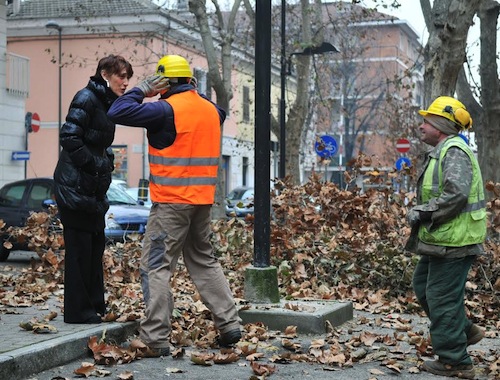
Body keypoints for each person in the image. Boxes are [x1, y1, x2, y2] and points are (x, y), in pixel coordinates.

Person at [107, 55, 242, 356]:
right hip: (202, 203)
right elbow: (213, 108)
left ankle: (155, 336)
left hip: (171, 204)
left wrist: (142, 89)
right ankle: (229, 323)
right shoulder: (211, 111)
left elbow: (117, 110)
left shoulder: (164, 110)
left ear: (164, 83)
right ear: (191, 82)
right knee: (204, 261)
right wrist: (191, 89)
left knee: (156, 265)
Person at [405, 96, 486, 379]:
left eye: (426, 121)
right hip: (442, 238)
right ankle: (465, 330)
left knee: (441, 298)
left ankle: (455, 361)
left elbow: (456, 195)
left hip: (455, 240)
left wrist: (422, 212)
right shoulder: (445, 150)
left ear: (441, 125)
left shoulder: (453, 151)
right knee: (424, 287)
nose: (421, 126)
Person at [53, 55, 134, 324]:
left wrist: (105, 160)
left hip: (92, 190)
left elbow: (98, 144)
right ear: (104, 74)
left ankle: (95, 306)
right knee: (80, 251)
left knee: (95, 247)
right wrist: (96, 164)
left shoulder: (107, 103)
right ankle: (78, 312)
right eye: (121, 76)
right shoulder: (86, 97)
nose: (125, 82)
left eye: (127, 77)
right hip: (74, 188)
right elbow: (69, 137)